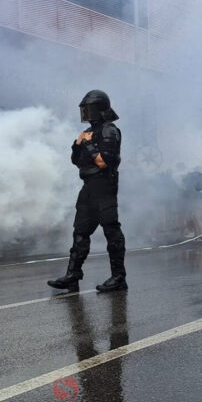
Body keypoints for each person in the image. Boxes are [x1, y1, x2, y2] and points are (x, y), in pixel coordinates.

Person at [48, 90, 127, 293]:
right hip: (89, 186)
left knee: (111, 230)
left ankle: (118, 277)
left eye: (91, 109)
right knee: (80, 233)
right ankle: (73, 275)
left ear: (101, 109)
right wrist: (77, 147)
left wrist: (88, 144)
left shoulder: (110, 130)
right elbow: (78, 162)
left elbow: (104, 162)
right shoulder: (89, 133)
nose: (87, 113)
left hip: (104, 186)